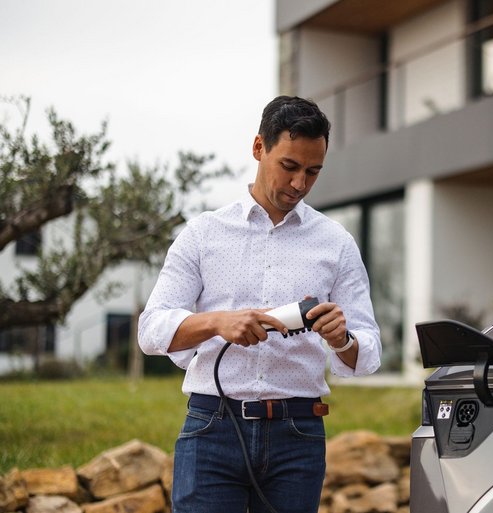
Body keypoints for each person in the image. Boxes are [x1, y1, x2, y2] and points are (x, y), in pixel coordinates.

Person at [138, 96, 381, 513]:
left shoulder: (336, 244)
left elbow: (370, 350)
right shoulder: (202, 234)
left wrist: (343, 340)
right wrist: (217, 323)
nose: (300, 184)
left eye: (313, 172)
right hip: (212, 428)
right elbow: (151, 330)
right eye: (289, 166)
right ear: (258, 148)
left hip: (298, 435)